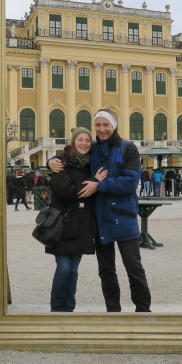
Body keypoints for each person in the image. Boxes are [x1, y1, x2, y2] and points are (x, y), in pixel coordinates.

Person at [49, 109, 152, 312]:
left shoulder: (128, 148)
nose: (102, 129)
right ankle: (112, 309)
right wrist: (52, 160)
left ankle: (143, 309)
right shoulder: (94, 148)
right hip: (99, 219)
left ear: (114, 125)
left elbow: (131, 182)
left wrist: (100, 186)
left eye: (106, 125)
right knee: (106, 269)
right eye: (98, 125)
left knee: (133, 267)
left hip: (123, 217)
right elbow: (73, 152)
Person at [46, 127, 107, 312]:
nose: (84, 143)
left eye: (87, 140)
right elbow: (67, 192)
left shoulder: (92, 162)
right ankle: (57, 309)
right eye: (80, 139)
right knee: (64, 268)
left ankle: (69, 308)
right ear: (73, 141)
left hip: (82, 224)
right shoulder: (60, 162)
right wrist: (93, 180)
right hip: (63, 224)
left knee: (73, 269)